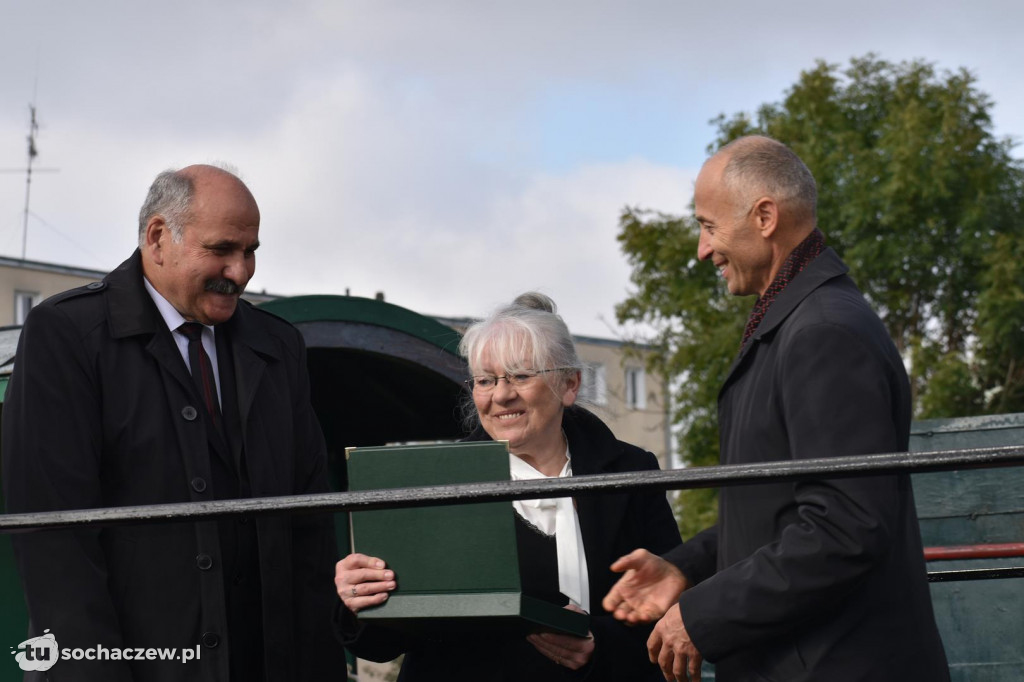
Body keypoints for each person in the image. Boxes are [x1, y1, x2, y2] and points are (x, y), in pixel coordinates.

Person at [602, 136, 950, 682]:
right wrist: (685, 569)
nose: (701, 249)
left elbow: (844, 528)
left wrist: (703, 616)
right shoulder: (803, 321)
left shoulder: (823, 332)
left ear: (765, 217)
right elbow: (780, 514)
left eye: (708, 226)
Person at [2, 165, 344, 681]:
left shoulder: (278, 347)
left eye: (250, 251)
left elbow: (310, 535)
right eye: (222, 249)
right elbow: (55, 543)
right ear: (159, 238)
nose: (241, 272)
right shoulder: (66, 336)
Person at [334, 292, 681, 681]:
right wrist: (358, 599)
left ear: (570, 384)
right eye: (485, 380)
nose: (501, 395)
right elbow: (380, 645)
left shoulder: (631, 472)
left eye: (520, 375)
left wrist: (598, 643)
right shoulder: (439, 478)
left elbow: (673, 612)